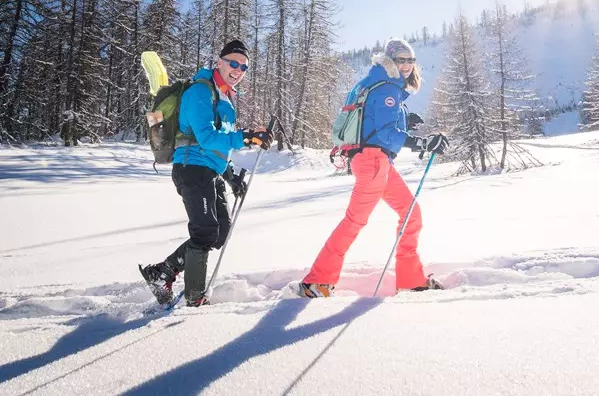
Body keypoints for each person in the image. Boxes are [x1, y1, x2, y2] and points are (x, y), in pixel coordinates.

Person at [299, 38, 449, 297]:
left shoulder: (374, 82)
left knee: (411, 213)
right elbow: (384, 133)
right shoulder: (387, 89)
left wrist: (404, 118)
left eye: (410, 60)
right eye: (401, 59)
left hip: (374, 162)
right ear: (390, 60)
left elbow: (373, 119)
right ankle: (317, 281)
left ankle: (411, 280)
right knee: (354, 221)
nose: (406, 65)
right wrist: (421, 142)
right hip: (374, 162)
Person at [140, 39, 273, 306]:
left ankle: (163, 271)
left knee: (220, 232)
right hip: (191, 168)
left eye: (244, 67)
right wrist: (245, 137)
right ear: (220, 62)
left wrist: (231, 176)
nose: (238, 70)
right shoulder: (200, 92)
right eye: (233, 63)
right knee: (204, 232)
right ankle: (195, 299)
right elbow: (207, 138)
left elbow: (219, 149)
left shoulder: (225, 99)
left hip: (210, 171)